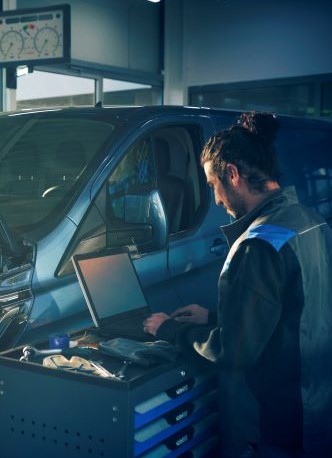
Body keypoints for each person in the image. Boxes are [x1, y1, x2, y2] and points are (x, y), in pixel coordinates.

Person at [142, 111, 332, 457]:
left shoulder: (257, 245)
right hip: (315, 409)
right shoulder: (310, 222)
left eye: (213, 185)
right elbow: (296, 309)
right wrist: (214, 316)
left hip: (271, 426)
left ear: (232, 174)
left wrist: (171, 331)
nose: (215, 199)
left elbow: (234, 351)